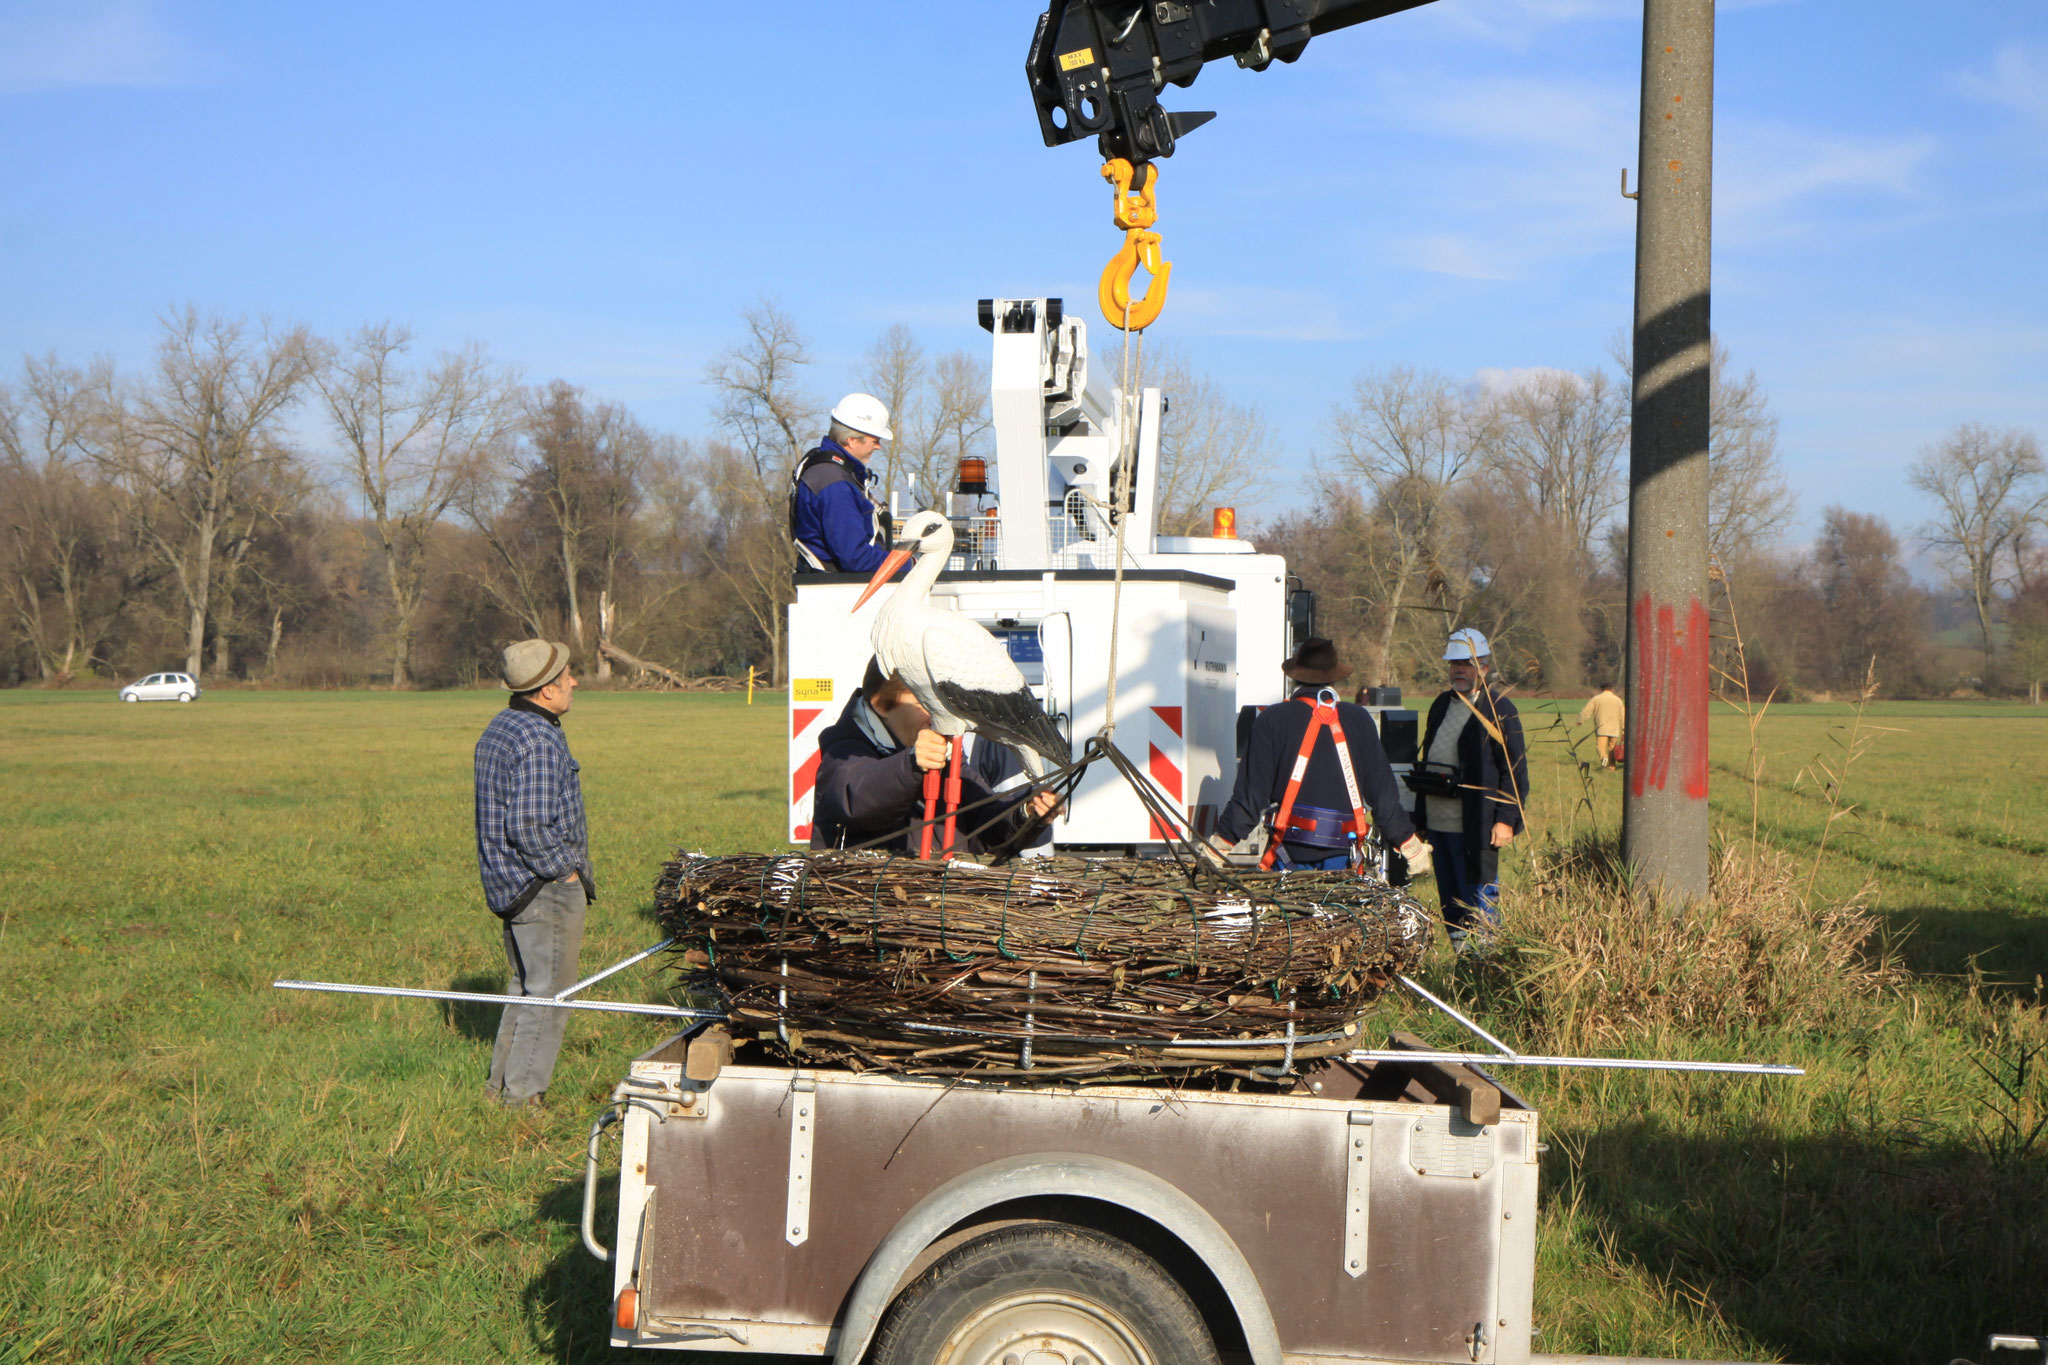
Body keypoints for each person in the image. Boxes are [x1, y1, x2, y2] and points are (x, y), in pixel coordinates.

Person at [473, 639, 596, 1108]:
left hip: (509, 884)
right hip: (541, 889)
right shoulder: (539, 738)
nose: (574, 682)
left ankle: (498, 1090)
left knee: (526, 988)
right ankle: (523, 1100)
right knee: (551, 997)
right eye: (567, 676)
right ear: (545, 690)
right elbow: (527, 823)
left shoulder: (503, 726)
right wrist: (564, 871)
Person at [1216, 637, 1431, 876]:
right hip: (1345, 861)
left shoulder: (1271, 720)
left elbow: (1249, 799)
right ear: (1334, 677)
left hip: (1288, 856)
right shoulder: (1359, 720)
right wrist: (1410, 845)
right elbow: (1384, 797)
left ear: (1294, 676)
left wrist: (1217, 847)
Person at [810, 657, 1062, 856]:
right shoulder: (844, 749)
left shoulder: (943, 753)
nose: (938, 714)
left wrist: (1026, 813)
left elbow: (983, 821)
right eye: (924, 702)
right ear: (881, 704)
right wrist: (912, 764)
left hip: (934, 909)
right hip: (872, 911)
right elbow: (855, 800)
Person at [1415, 628, 1529, 952]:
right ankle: (1464, 964)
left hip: (1476, 829)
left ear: (1484, 667)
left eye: (1466, 663)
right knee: (1450, 905)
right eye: (1454, 664)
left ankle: (1488, 967)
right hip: (1438, 826)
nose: (1459, 670)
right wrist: (1420, 820)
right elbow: (1429, 759)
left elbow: (1515, 771)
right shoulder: (1440, 705)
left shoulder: (1499, 709)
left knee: (1479, 902)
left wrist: (1506, 818)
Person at [789, 393, 895, 574]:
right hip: (840, 591)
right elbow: (856, 558)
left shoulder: (826, 471)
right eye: (875, 440)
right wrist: (909, 565)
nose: (878, 446)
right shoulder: (835, 484)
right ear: (851, 440)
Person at [1578, 681, 1625, 770]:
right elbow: (1623, 716)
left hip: (1601, 728)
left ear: (1601, 689)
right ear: (1612, 689)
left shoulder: (1596, 699)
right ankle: (1611, 767)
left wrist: (1580, 720)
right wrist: (1624, 728)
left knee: (1601, 747)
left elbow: (1587, 711)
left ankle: (1604, 759)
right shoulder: (1618, 700)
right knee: (1612, 748)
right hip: (1614, 729)